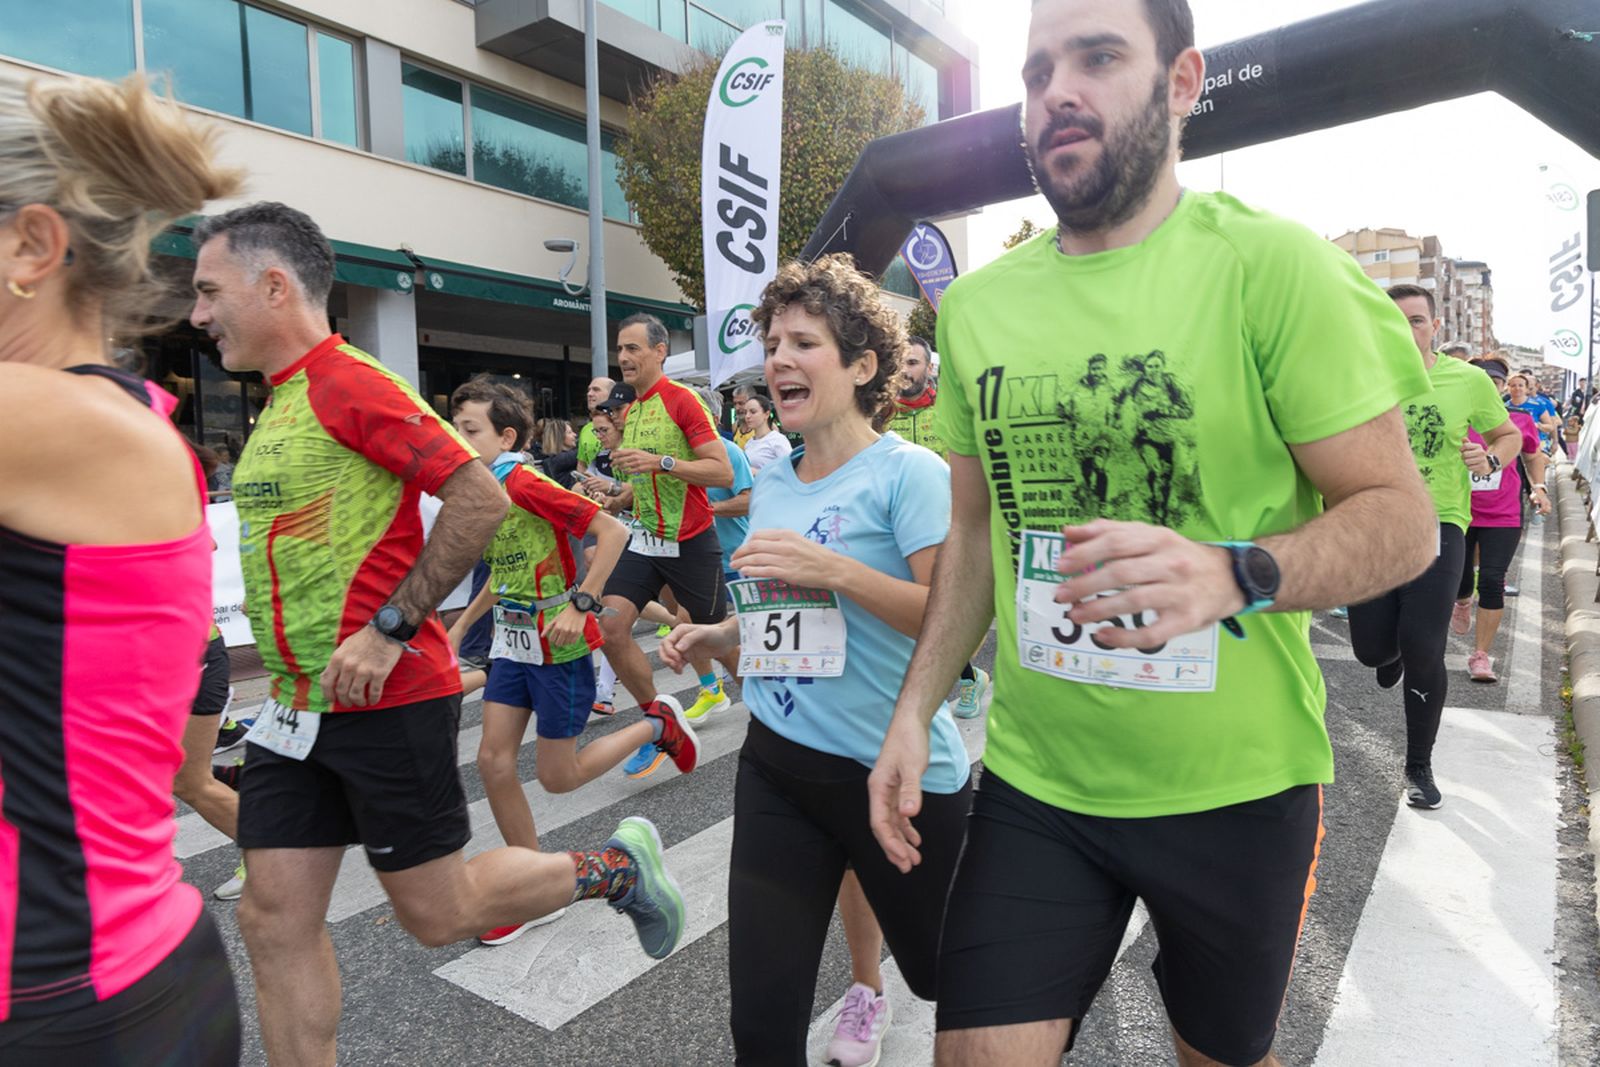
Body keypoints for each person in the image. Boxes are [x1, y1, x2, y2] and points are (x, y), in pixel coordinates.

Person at [867, 2, 1442, 1064]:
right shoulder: (978, 308)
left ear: (1182, 84)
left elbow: (1403, 522)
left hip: (1238, 791)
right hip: (1041, 785)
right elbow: (976, 530)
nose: (1057, 91)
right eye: (1037, 72)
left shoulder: (1273, 267)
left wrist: (1236, 571)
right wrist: (915, 708)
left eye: (1097, 57)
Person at [189, 201, 685, 1065]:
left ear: (272, 286)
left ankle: (613, 868)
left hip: (384, 697)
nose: (196, 314)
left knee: (439, 911)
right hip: (296, 711)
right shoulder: (281, 401)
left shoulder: (348, 382)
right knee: (272, 919)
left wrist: (395, 626)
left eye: (208, 290)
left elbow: (477, 496)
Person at [662, 255, 972, 1067]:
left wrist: (834, 568)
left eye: (803, 342)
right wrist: (721, 637)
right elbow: (785, 617)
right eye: (773, 344)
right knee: (762, 1027)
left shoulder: (910, 474)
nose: (778, 360)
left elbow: (953, 621)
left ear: (863, 366)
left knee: (950, 978)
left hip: (896, 776)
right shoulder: (773, 481)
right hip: (779, 770)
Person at [0, 73, 243, 1064]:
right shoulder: (101, 417)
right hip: (112, 983)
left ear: (32, 246)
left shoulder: (43, 418)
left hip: (67, 1002)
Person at [446, 377, 692, 945]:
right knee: (493, 762)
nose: (458, 439)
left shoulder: (525, 482)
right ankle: (535, 892)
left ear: (506, 437)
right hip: (513, 644)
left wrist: (583, 604)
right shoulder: (485, 488)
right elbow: (505, 568)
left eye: (470, 430)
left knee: (558, 778)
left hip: (559, 646)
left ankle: (657, 724)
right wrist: (460, 624)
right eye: (455, 429)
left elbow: (611, 532)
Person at [1346, 284, 1522, 809]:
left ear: (1435, 327)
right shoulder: (1358, 374)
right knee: (1371, 650)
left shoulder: (1466, 379)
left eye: (1417, 320)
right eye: (1395, 320)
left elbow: (1507, 435)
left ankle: (1418, 766)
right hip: (1373, 523)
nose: (1406, 330)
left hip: (1439, 522)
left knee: (1425, 645)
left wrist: (1490, 458)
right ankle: (1391, 651)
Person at [598, 313, 737, 728]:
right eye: (620, 349)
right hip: (646, 540)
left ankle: (775, 713)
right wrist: (619, 498)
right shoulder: (634, 410)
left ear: (660, 351)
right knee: (609, 628)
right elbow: (645, 479)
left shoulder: (683, 400)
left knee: (717, 641)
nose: (623, 357)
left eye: (633, 348)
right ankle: (662, 721)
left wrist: (661, 462)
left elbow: (722, 472)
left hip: (691, 540)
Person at [887, 334, 992, 719]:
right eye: (900, 362)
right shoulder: (883, 414)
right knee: (905, 617)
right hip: (897, 528)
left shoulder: (949, 409)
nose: (905, 371)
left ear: (929, 367)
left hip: (948, 527)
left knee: (940, 613)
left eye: (913, 363)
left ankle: (967, 678)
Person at [1449, 357, 1547, 683]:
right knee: (1461, 579)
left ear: (1502, 387)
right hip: (1459, 511)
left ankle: (1480, 655)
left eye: (1495, 382)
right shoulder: (1455, 415)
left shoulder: (1519, 420)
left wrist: (1540, 489)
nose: (1489, 386)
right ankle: (1463, 599)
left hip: (1503, 514)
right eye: (1482, 380)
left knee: (1492, 579)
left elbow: (1533, 457)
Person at [1507, 373, 1559, 454]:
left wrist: (1537, 425)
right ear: (1508, 388)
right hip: (1513, 447)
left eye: (1521, 385)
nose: (1517, 388)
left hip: (1536, 446)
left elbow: (1550, 426)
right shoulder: (1504, 407)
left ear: (1526, 389)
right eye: (1513, 385)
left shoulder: (1537, 405)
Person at [741, 392, 793, 473]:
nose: (747, 416)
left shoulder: (778, 439)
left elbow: (790, 469)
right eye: (745, 412)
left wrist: (758, 472)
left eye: (753, 412)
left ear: (766, 414)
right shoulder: (749, 443)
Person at [576, 375, 614, 475]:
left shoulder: (623, 424)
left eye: (596, 390)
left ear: (611, 394)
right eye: (589, 390)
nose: (589, 394)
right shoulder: (586, 429)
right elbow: (582, 464)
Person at [732, 381, 759, 449]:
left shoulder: (766, 426)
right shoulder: (735, 426)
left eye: (741, 403)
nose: (737, 408)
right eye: (735, 404)